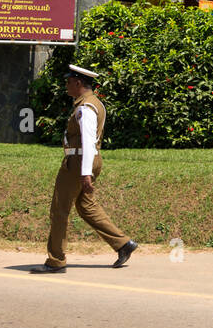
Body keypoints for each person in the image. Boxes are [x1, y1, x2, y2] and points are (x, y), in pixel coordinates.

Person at [33, 65, 137, 274]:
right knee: (86, 207)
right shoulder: (92, 103)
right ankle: (123, 244)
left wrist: (85, 173)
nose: (66, 86)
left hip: (79, 162)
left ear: (78, 83)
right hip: (86, 160)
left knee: (59, 210)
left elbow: (88, 142)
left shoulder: (86, 108)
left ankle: (56, 260)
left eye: (68, 82)